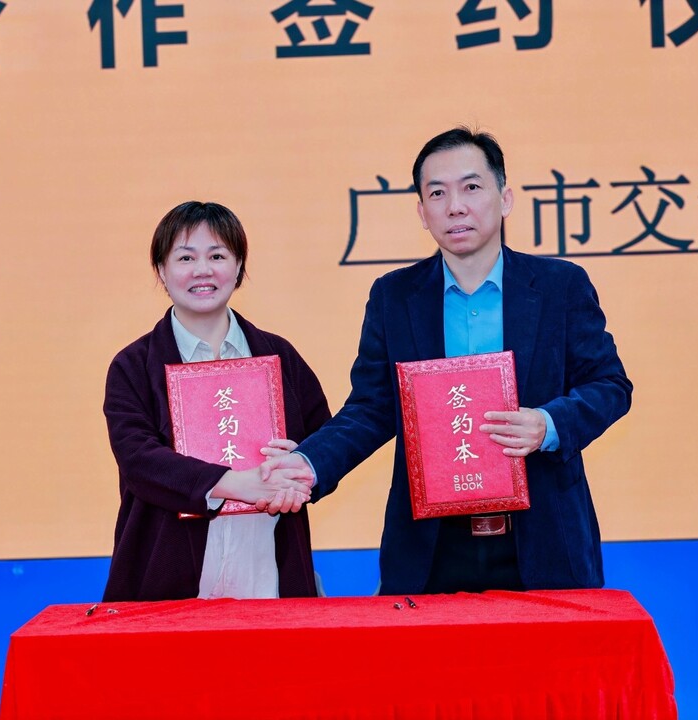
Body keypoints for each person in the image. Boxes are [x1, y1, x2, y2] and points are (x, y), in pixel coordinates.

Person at [263, 127, 632, 595]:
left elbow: (610, 385)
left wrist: (548, 423)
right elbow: (372, 409)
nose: (455, 206)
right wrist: (307, 463)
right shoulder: (394, 296)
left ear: (505, 199)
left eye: (471, 187)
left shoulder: (560, 285)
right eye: (437, 193)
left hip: (542, 540)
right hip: (431, 546)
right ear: (422, 212)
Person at [102, 201, 331, 602]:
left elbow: (324, 443)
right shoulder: (133, 366)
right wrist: (236, 484)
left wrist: (298, 465)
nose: (202, 270)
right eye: (185, 257)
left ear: (239, 266)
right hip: (167, 574)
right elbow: (138, 460)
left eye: (218, 256)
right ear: (161, 270)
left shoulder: (278, 356)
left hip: (267, 567)